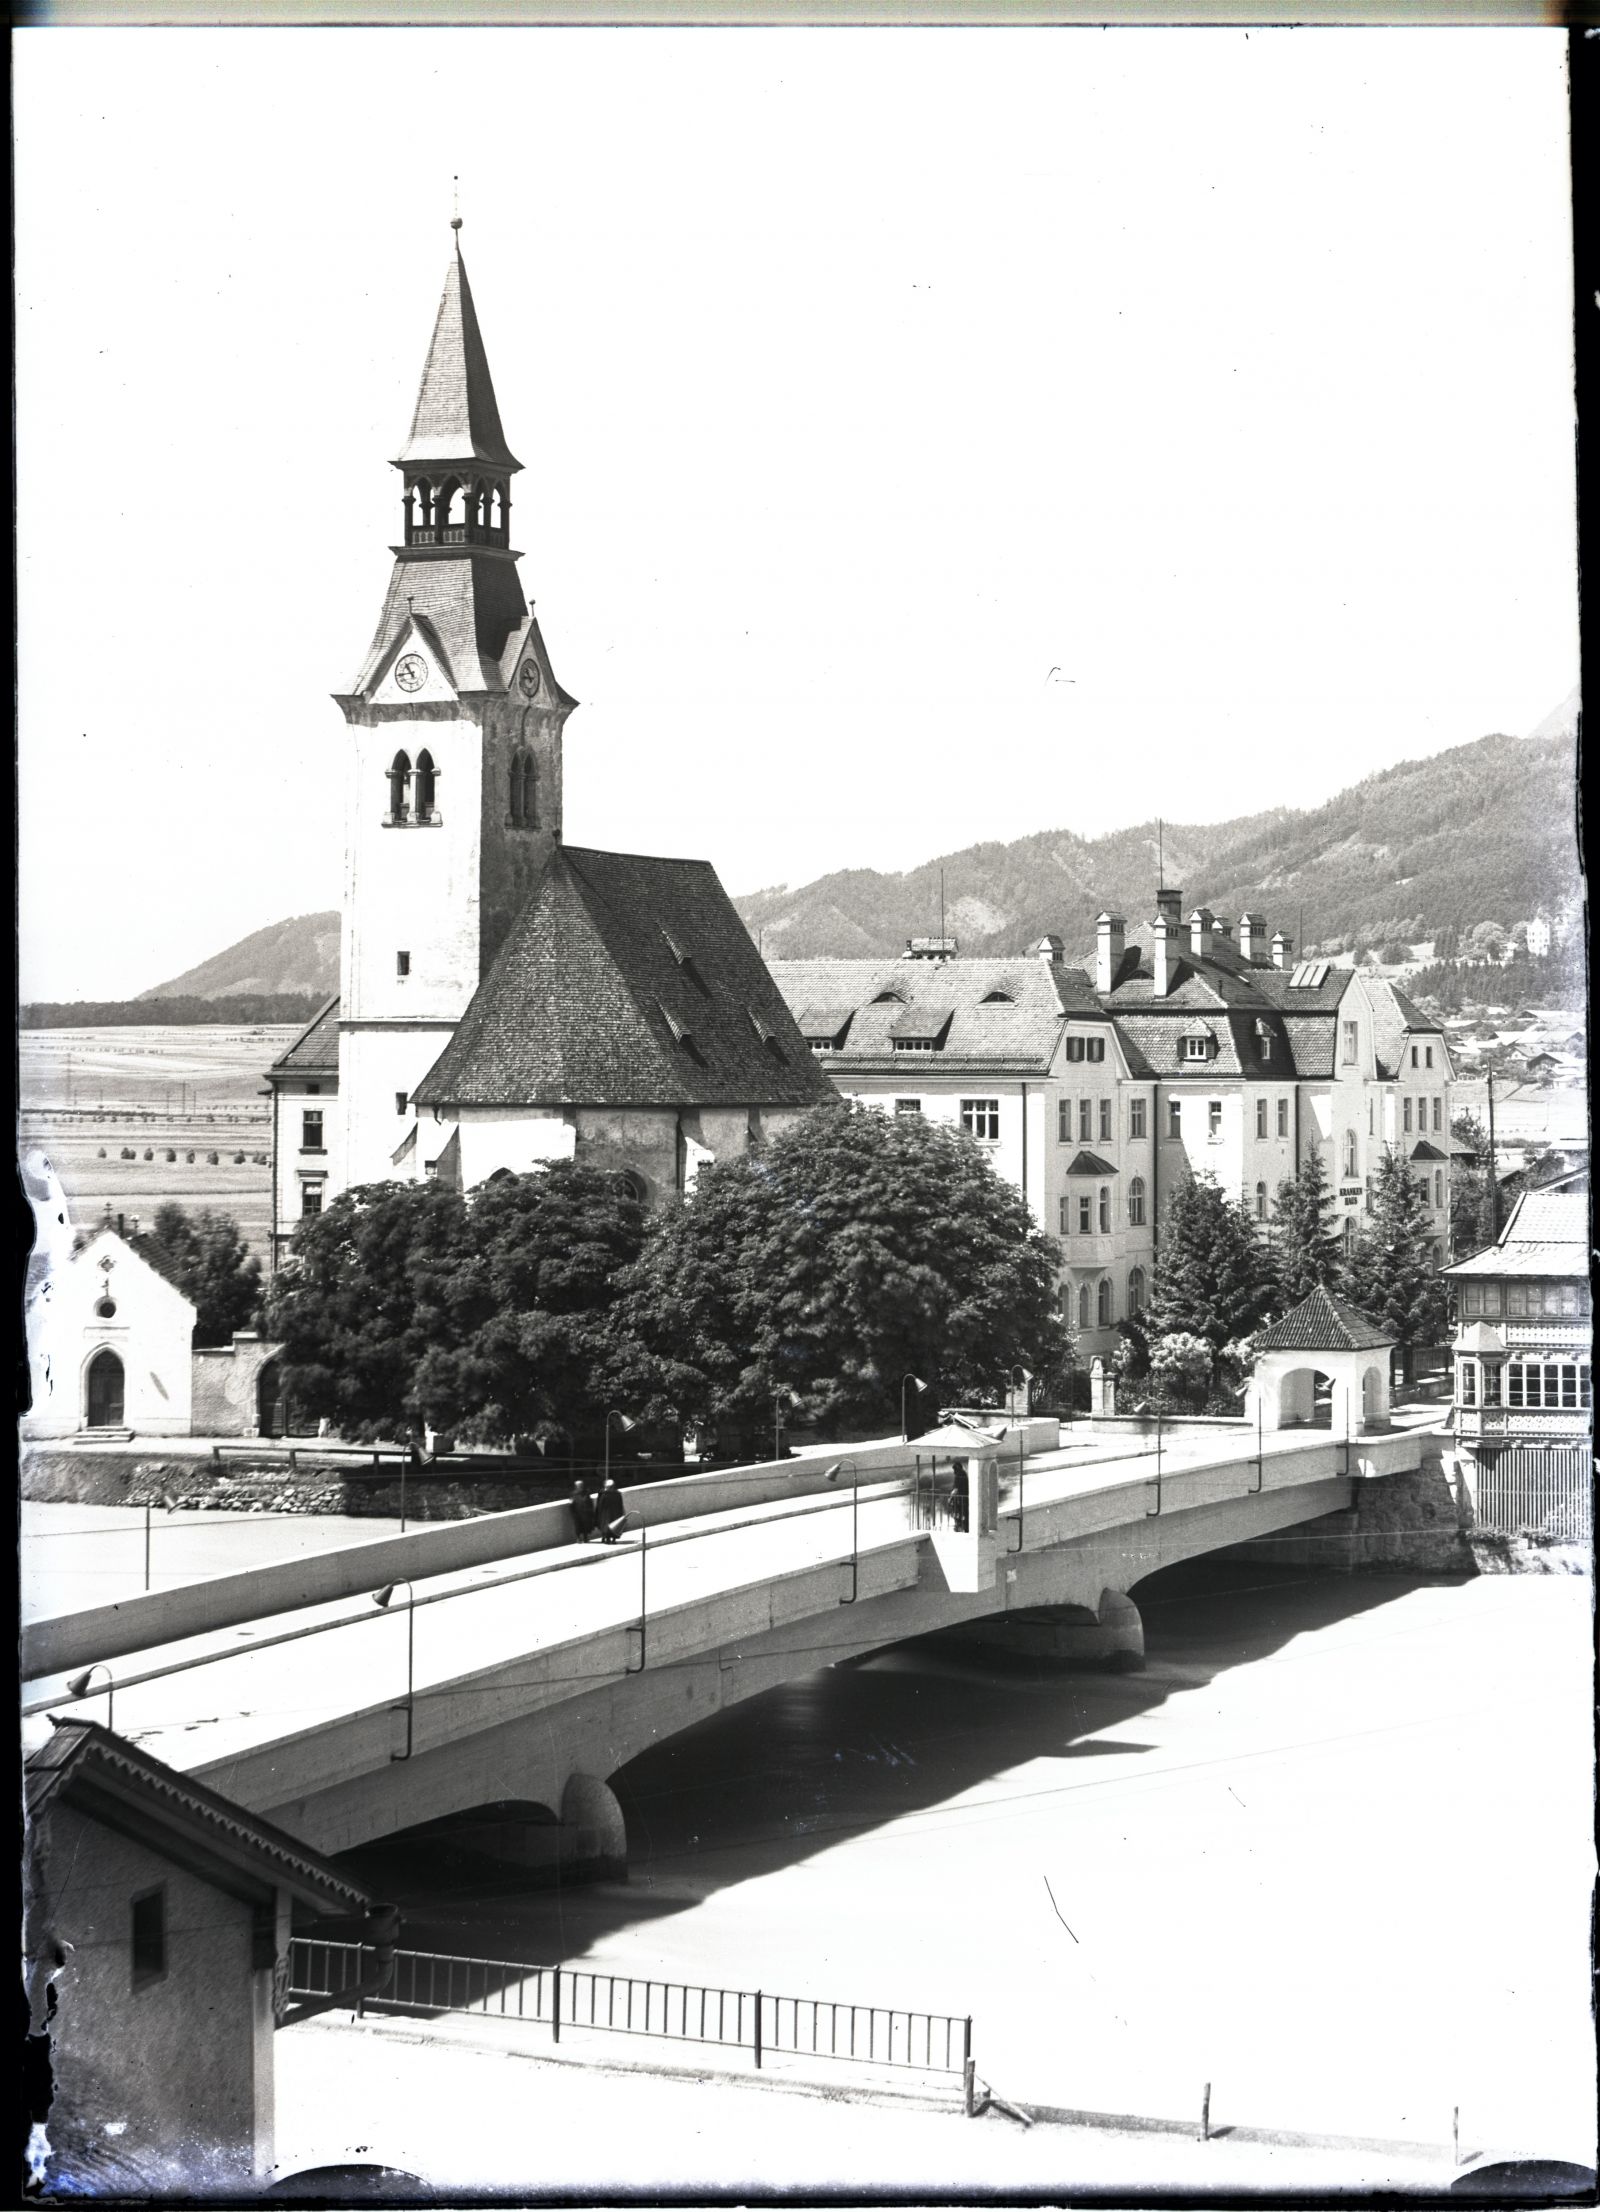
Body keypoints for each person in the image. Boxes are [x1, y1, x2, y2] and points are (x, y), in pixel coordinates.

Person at [596, 1476, 627, 1544]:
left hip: (611, 1513)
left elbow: (600, 1504)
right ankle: (609, 1539)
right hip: (609, 1513)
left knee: (612, 1526)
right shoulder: (611, 1493)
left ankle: (610, 1539)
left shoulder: (606, 1494)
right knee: (610, 1526)